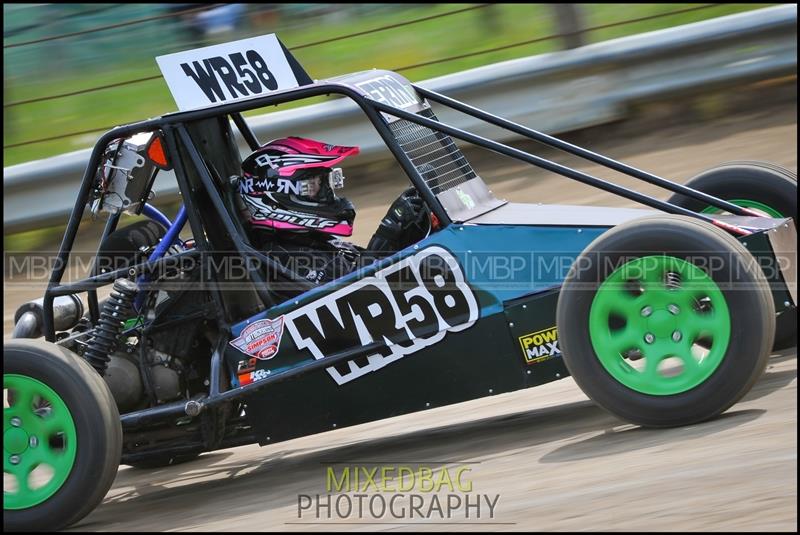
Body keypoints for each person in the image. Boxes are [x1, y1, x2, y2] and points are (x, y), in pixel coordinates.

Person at [237, 137, 431, 297]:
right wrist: (389, 232)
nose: (327, 194)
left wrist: (408, 231)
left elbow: (367, 269)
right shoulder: (283, 259)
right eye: (313, 186)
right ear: (277, 196)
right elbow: (359, 300)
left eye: (326, 183)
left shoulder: (314, 241)